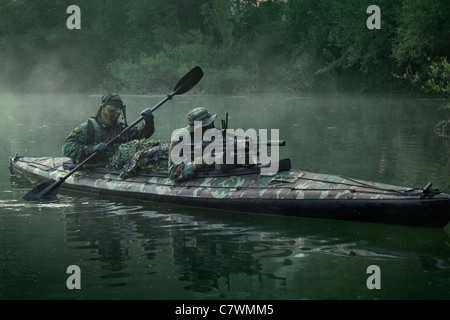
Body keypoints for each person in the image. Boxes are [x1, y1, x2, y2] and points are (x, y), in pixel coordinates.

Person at [62, 93, 155, 164]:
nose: (118, 111)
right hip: (92, 170)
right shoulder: (88, 128)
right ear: (104, 107)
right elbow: (67, 148)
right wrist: (92, 149)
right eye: (114, 107)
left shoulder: (121, 129)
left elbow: (143, 134)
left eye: (120, 108)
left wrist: (148, 121)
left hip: (113, 168)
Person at [168, 107, 217, 182]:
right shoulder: (180, 139)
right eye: (206, 126)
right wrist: (201, 161)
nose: (210, 128)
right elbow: (173, 173)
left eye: (211, 124)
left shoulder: (212, 133)